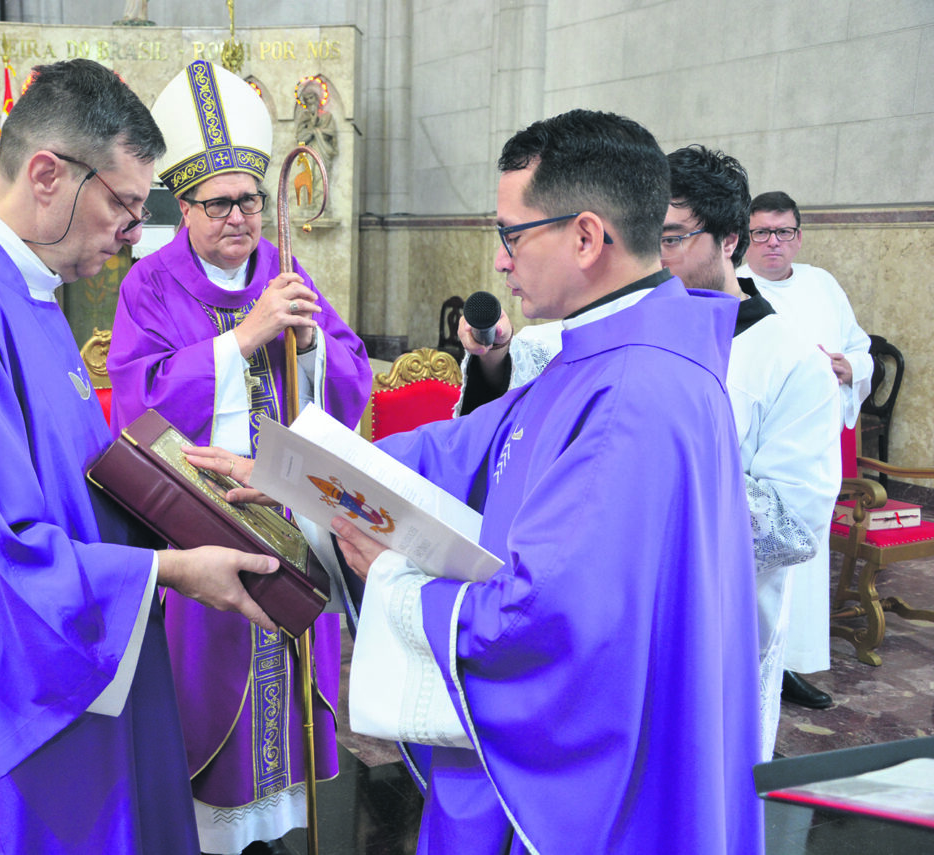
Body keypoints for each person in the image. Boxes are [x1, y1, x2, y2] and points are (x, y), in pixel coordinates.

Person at [0, 58, 283, 855]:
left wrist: (180, 494)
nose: (132, 233)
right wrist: (168, 573)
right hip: (15, 724)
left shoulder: (18, 288)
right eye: (124, 204)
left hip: (83, 668)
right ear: (48, 173)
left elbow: (64, 477)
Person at [330, 110, 763, 853]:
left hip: (603, 793)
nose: (500, 263)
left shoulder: (635, 390)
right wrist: (301, 463)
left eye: (511, 234)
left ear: (587, 236)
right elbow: (471, 445)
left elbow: (546, 620)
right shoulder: (602, 352)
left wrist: (400, 587)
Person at [107, 60, 372, 855]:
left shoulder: (286, 273)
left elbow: (351, 371)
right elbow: (137, 411)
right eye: (220, 203)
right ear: (183, 207)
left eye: (251, 200)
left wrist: (316, 344)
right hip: (206, 529)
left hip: (292, 518)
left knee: (293, 690)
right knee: (211, 688)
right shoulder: (148, 288)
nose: (240, 218)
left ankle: (285, 820)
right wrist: (240, 343)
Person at [662, 144, 841, 757]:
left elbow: (793, 527)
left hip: (718, 629)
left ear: (728, 240)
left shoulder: (790, 360)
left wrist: (667, 466)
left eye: (671, 239)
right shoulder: (636, 332)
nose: (652, 262)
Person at [738, 190, 872, 710]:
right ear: (742, 237)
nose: (774, 242)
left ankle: (791, 663)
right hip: (761, 448)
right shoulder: (736, 290)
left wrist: (850, 368)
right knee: (762, 570)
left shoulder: (822, 285)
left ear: (799, 235)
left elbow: (859, 350)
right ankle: (755, 671)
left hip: (812, 447)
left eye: (784, 231)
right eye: (762, 232)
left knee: (805, 565)